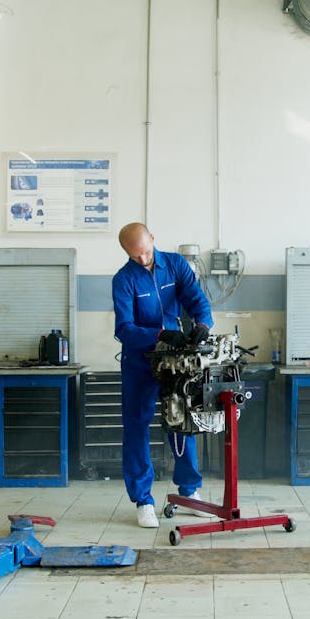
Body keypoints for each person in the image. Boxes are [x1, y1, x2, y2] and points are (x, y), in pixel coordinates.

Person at [112, 222, 213, 528]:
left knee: (181, 422)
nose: (143, 259)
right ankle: (143, 501)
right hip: (139, 362)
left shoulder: (175, 264)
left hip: (175, 360)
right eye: (135, 255)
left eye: (145, 252)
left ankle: (190, 491)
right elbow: (124, 329)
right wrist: (160, 334)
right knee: (137, 429)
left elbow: (196, 299)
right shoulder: (123, 279)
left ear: (153, 239)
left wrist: (203, 325)